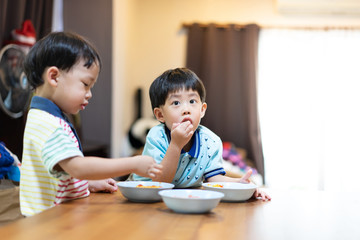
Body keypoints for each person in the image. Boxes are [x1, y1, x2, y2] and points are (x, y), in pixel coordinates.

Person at [20, 32, 162, 217]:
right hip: (48, 222)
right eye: (85, 84)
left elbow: (56, 173)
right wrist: (133, 164)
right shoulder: (49, 124)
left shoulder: (40, 116)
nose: (89, 94)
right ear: (54, 77)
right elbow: (77, 167)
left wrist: (85, 183)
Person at [129, 68, 270, 201]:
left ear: (202, 109)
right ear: (160, 115)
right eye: (176, 102)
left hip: (182, 198)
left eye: (192, 101)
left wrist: (239, 183)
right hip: (145, 194)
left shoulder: (211, 141)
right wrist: (176, 145)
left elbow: (214, 178)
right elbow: (160, 182)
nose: (186, 109)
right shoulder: (157, 136)